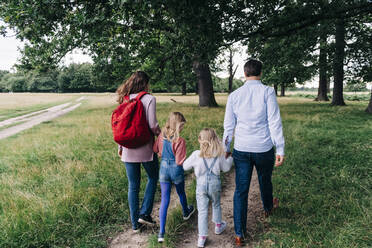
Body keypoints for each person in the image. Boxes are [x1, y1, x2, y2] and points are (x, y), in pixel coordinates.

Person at [223, 59, 285, 246]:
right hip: (264, 147)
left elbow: (229, 126)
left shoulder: (234, 95)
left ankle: (239, 234)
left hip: (241, 148)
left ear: (245, 73)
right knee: (265, 179)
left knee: (241, 190)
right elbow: (274, 121)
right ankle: (267, 208)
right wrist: (280, 148)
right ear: (260, 72)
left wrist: (226, 147)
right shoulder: (267, 92)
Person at [117, 71, 161, 232]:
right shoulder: (149, 99)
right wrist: (161, 135)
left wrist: (120, 146)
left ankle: (135, 225)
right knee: (153, 176)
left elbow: (121, 125)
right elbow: (153, 125)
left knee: (133, 185)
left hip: (128, 148)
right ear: (146, 84)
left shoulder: (125, 98)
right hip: (145, 148)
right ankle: (145, 213)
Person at [183, 128, 233, 248]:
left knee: (202, 211)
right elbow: (226, 168)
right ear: (215, 139)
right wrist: (231, 159)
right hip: (215, 183)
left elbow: (185, 166)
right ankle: (218, 226)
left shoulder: (196, 154)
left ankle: (202, 237)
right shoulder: (219, 154)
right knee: (216, 204)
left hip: (201, 185)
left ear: (200, 140)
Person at [153, 112, 195, 243]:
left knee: (164, 199)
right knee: (181, 192)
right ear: (177, 125)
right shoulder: (180, 141)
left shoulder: (161, 136)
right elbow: (179, 160)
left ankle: (161, 233)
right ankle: (186, 212)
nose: (182, 128)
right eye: (182, 126)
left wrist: (162, 153)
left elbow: (155, 150)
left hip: (163, 170)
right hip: (175, 170)